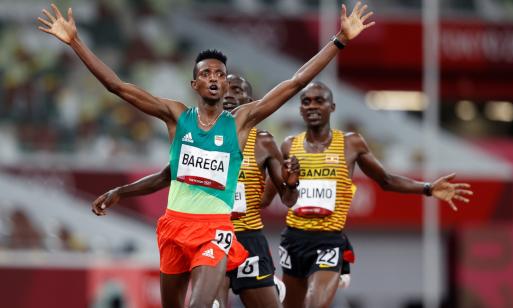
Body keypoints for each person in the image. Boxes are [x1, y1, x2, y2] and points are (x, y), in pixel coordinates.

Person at [37, 2, 375, 307]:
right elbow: (118, 87)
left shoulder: (241, 122)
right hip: (173, 226)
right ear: (194, 84)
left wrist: (339, 40)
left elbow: (294, 82)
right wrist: (75, 42)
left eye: (219, 75)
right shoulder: (176, 116)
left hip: (215, 229)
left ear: (226, 86)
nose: (213, 78)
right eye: (205, 74)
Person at [92, 74, 299, 308]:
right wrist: (121, 191)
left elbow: (285, 199)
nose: (230, 94)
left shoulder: (264, 143)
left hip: (248, 236)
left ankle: (269, 286)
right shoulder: (201, 136)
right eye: (227, 89)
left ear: (251, 101)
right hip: (211, 235)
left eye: (238, 90)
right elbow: (165, 176)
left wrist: (289, 185)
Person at [262, 82, 474, 308]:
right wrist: (286, 185)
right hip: (294, 239)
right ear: (300, 110)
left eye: (319, 100)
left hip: (328, 241)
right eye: (306, 102)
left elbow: (386, 180)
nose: (312, 106)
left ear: (332, 107)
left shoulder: (351, 143)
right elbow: (274, 197)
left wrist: (428, 188)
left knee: (315, 304)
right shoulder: (288, 146)